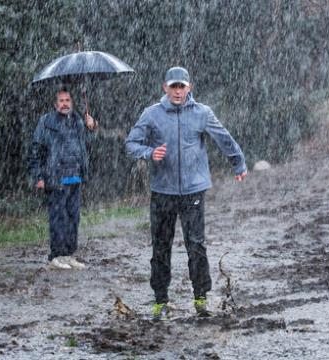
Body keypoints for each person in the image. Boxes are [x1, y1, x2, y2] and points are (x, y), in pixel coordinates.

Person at [125, 67, 247, 319]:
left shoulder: (202, 113)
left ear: (189, 87)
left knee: (196, 246)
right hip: (162, 192)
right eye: (173, 87)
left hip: (193, 190)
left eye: (182, 86)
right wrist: (149, 153)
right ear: (165, 88)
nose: (178, 91)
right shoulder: (152, 114)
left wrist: (238, 163)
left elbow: (223, 138)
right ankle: (160, 301)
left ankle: (201, 298)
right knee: (160, 247)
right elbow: (131, 143)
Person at [29, 89, 98, 270]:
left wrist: (92, 127)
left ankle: (68, 254)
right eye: (61, 100)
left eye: (67, 100)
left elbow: (87, 144)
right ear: (55, 104)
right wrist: (38, 176)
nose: (65, 103)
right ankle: (55, 257)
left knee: (73, 218)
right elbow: (35, 150)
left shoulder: (77, 120)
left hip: (75, 178)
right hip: (55, 178)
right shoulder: (46, 122)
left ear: (72, 103)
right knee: (58, 219)